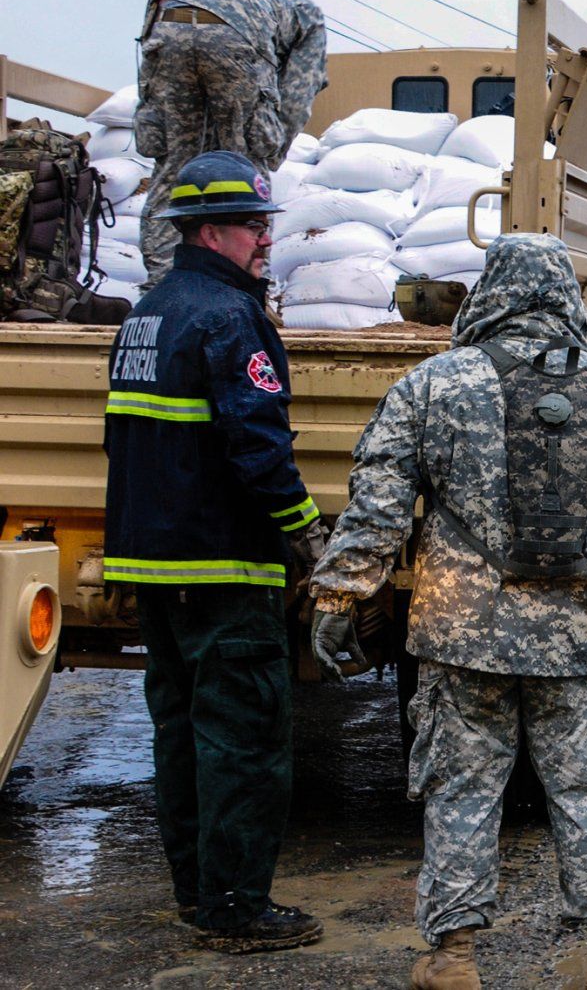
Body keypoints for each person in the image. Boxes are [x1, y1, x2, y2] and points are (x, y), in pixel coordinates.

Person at [305, 233, 587, 990]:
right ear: (565, 296)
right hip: (578, 642)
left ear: (491, 291)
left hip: (463, 638)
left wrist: (338, 596)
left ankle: (453, 958)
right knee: (586, 788)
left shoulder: (433, 386)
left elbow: (377, 509)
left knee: (461, 786)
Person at [102, 149, 329, 952]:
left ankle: (199, 897)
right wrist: (305, 531)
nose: (265, 240)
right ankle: (237, 911)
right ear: (208, 232)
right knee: (244, 740)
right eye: (250, 226)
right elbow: (256, 444)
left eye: (264, 224)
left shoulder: (148, 313)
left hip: (156, 567)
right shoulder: (229, 319)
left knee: (184, 738)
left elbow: (121, 442)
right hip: (223, 567)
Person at [135, 0, 327, 288]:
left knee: (174, 173)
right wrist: (270, 148)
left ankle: (162, 290)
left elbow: (149, 78)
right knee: (244, 175)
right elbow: (298, 92)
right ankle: (248, 293)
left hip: (167, 16)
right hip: (238, 34)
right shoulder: (310, 18)